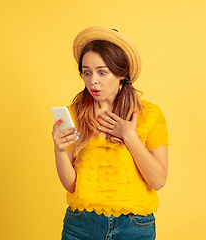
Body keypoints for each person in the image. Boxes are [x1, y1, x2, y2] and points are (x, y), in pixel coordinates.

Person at [51, 26, 168, 240]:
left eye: (102, 72)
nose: (93, 80)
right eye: (87, 72)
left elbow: (158, 180)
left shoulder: (150, 114)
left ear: (122, 74)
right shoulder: (73, 115)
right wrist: (59, 150)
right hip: (81, 225)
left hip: (135, 227)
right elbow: (72, 185)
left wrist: (129, 137)